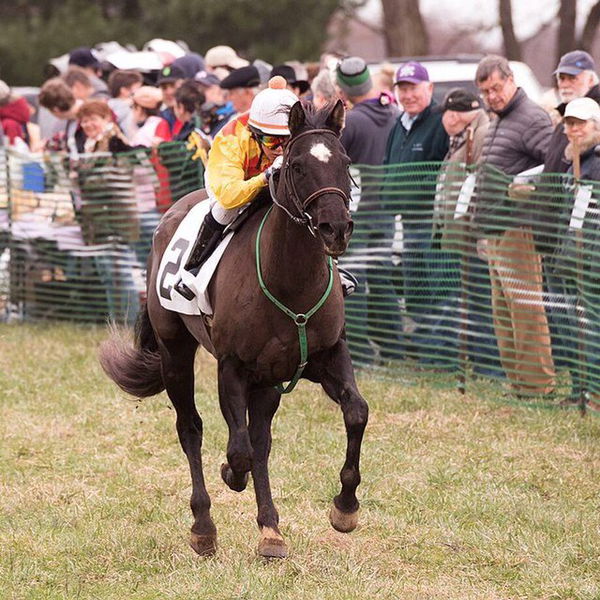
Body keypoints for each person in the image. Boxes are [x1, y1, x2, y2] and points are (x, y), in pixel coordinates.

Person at [474, 55, 555, 397]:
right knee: (504, 314)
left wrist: (528, 191)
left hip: (518, 229)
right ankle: (519, 384)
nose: (491, 96)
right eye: (485, 92)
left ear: (510, 81)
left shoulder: (532, 118)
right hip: (495, 232)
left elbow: (554, 165)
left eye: (496, 88)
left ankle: (538, 386)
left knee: (525, 312)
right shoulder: (500, 120)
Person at [174, 76, 297, 301]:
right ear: (255, 134)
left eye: (287, 141)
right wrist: (266, 176)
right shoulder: (231, 140)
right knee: (224, 209)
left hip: (269, 176)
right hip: (231, 184)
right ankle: (192, 269)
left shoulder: (295, 128)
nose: (280, 149)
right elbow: (230, 196)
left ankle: (334, 269)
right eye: (272, 142)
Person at [334, 56, 403, 363]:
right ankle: (393, 348)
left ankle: (359, 354)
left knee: (353, 280)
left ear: (344, 89)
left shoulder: (354, 122)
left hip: (357, 213)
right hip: (386, 210)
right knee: (383, 280)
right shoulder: (394, 113)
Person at [383, 61, 449, 360]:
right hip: (406, 222)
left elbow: (442, 170)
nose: (408, 95)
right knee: (415, 288)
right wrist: (388, 192)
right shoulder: (399, 123)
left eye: (413, 88)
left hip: (432, 223)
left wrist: (407, 189)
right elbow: (387, 167)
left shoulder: (440, 121)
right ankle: (424, 350)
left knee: (435, 287)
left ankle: (438, 352)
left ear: (429, 88)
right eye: (402, 89)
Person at [547, 98, 600, 408]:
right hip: (570, 256)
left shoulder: (596, 162)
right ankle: (580, 389)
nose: (574, 129)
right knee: (573, 327)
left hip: (591, 260)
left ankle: (593, 393)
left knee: (591, 327)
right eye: (569, 123)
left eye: (581, 123)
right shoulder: (572, 160)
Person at [107, 69, 143, 139]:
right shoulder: (127, 108)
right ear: (124, 90)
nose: (140, 91)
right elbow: (131, 133)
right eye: (138, 88)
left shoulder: (107, 105)